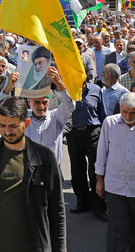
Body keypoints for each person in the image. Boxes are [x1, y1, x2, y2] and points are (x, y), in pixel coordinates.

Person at [0, 96, 65, 252]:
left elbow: (56, 210)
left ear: (27, 123)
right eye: (2, 125)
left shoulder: (45, 158)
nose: (8, 131)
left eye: (14, 126)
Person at [95, 92, 135, 251]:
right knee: (117, 229)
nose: (128, 116)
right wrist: (99, 180)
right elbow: (101, 153)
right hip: (114, 187)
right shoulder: (109, 123)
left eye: (132, 113)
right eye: (125, 112)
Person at [66, 76, 107, 221]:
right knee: (77, 169)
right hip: (74, 134)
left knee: (96, 170)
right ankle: (82, 203)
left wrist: (105, 133)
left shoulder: (96, 90)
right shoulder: (68, 91)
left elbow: (102, 113)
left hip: (93, 133)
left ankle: (99, 206)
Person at [25, 66, 74, 165]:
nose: (41, 107)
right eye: (37, 102)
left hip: (52, 172)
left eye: (44, 102)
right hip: (29, 171)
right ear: (29, 101)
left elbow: (69, 105)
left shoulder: (56, 117)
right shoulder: (22, 117)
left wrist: (59, 83)